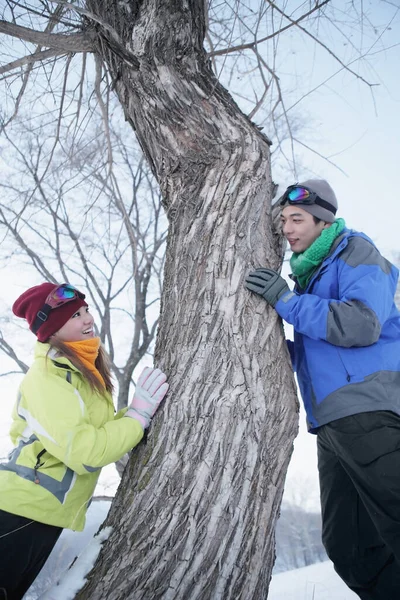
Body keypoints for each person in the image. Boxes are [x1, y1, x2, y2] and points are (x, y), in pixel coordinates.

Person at [245, 180, 400, 600]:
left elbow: (362, 323)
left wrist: (287, 303)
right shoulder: (311, 276)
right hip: (332, 424)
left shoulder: (355, 252)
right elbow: (323, 348)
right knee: (349, 547)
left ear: (323, 221)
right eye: (283, 221)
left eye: (297, 219)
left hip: (369, 409)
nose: (287, 228)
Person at [0, 282, 169, 600]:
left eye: (86, 310)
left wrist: (135, 412)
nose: (87, 318)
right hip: (16, 511)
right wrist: (137, 418)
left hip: (39, 514)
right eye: (75, 315)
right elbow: (85, 451)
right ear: (51, 329)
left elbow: (97, 434)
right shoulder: (46, 377)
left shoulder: (79, 371)